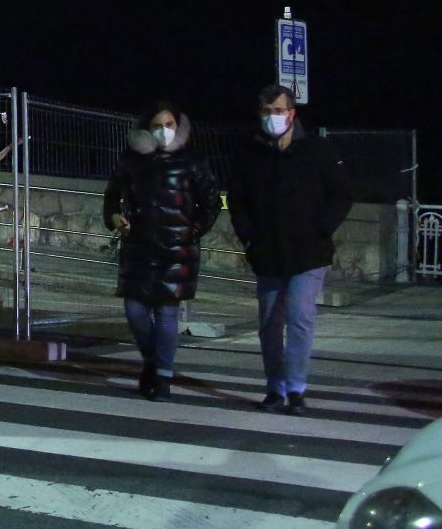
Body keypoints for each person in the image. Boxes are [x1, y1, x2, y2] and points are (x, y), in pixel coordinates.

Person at [227, 84, 353, 415]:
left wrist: (321, 228)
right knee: (270, 323)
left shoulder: (317, 151)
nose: (273, 118)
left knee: (299, 317)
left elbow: (341, 194)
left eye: (279, 111)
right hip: (267, 253)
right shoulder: (249, 154)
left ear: (292, 113)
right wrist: (249, 237)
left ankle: (296, 388)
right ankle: (275, 387)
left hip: (309, 253)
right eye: (267, 112)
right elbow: (237, 200)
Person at [102, 101, 220, 401]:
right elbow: (112, 197)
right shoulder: (132, 160)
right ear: (147, 127)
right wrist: (115, 217)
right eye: (157, 125)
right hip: (138, 246)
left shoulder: (192, 160)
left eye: (169, 124)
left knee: (167, 312)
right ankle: (153, 362)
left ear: (178, 127)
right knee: (135, 311)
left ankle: (163, 377)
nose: (163, 130)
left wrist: (193, 231)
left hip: (176, 249)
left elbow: (211, 202)